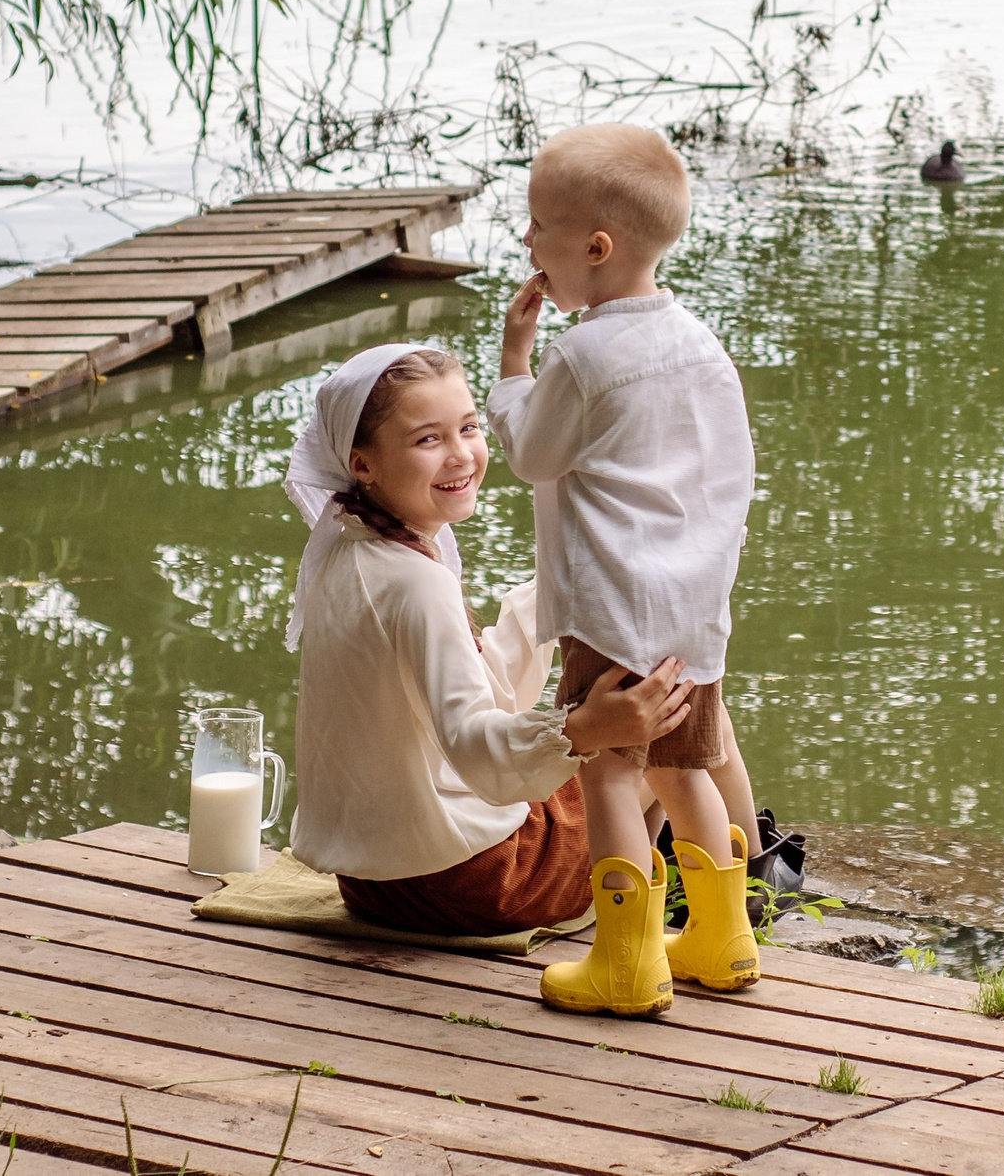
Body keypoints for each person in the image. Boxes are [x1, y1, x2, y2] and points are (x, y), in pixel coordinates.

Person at [280, 341, 694, 938]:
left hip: (373, 880)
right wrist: (586, 730)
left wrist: (559, 582)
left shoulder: (354, 549)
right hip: (466, 884)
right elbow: (475, 748)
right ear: (362, 463)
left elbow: (479, 687)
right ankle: (692, 907)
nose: (461, 457)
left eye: (468, 428)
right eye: (428, 439)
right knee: (653, 720)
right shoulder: (415, 584)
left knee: (611, 734)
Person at [492, 123, 760, 1016]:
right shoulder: (699, 342)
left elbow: (532, 453)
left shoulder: (582, 355)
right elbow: (732, 471)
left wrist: (514, 364)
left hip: (612, 606)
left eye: (538, 227)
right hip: (692, 604)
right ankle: (723, 939)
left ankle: (626, 960)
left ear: (595, 248)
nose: (527, 242)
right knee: (687, 766)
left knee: (609, 770)